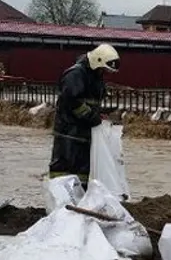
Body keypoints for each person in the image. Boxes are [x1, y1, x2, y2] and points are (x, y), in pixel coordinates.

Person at [49, 44, 120, 189]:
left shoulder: (94, 75)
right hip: (68, 133)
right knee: (64, 168)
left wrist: (99, 114)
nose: (105, 73)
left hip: (83, 133)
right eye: (104, 70)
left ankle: (80, 196)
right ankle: (61, 195)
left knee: (83, 171)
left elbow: (90, 101)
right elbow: (72, 102)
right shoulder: (75, 75)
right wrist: (91, 117)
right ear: (97, 62)